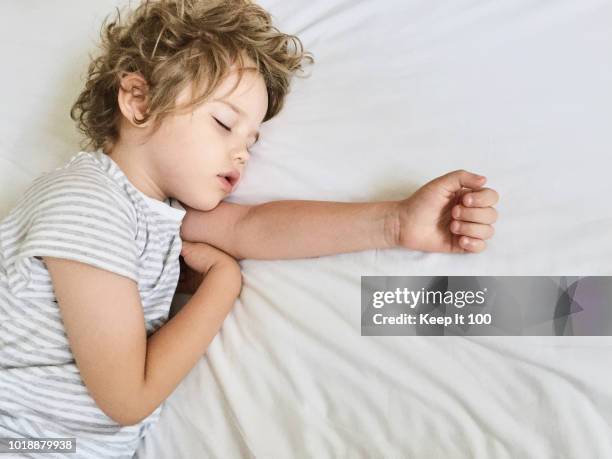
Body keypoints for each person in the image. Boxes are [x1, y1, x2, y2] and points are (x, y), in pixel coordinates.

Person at [0, 0, 499, 457]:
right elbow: (128, 396)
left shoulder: (156, 211)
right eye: (223, 123)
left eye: (252, 139)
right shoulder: (88, 205)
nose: (242, 151)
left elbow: (255, 227)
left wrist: (396, 222)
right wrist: (223, 285)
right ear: (139, 101)